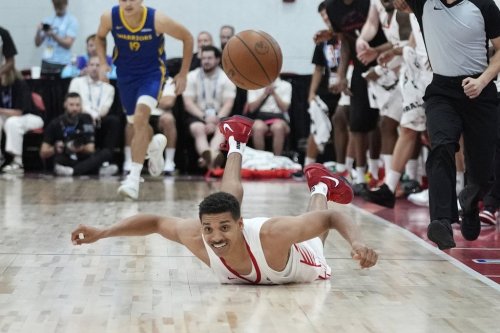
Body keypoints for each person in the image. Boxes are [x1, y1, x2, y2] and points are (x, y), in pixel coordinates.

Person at [71, 115, 377, 285]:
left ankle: (321, 189)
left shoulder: (273, 235)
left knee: (314, 238)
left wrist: (357, 243)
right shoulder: (200, 236)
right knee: (224, 201)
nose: (215, 237)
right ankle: (235, 142)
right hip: (250, 235)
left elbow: (331, 219)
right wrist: (103, 232)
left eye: (223, 229)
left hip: (299, 258)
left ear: (241, 224)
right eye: (209, 229)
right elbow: (154, 221)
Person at [394, 0, 500, 249]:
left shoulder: (484, 5)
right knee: (441, 145)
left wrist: (483, 80)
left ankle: (471, 203)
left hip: (479, 91)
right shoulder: (423, 3)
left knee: (482, 172)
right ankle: (441, 221)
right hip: (442, 91)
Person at [95, 0, 193, 199]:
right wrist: (103, 63)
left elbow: (187, 38)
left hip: (151, 75)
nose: (128, 3)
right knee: (138, 124)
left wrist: (182, 74)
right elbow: (99, 37)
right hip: (125, 77)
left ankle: (133, 179)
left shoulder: (157, 19)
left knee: (140, 118)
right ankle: (153, 148)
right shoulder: (109, 17)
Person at [183, 45, 236, 170]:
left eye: (209, 58)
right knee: (198, 129)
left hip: (219, 116)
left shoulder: (226, 78)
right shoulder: (191, 76)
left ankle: (206, 158)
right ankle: (212, 159)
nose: (206, 61)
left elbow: (228, 103)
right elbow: (188, 103)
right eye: (203, 58)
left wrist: (216, 118)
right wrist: (205, 117)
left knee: (222, 130)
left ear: (217, 60)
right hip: (198, 115)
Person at [40, 92, 116, 176]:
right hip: (65, 156)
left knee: (106, 153)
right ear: (65, 104)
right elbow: (43, 152)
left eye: (77, 105)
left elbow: (90, 148)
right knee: (58, 160)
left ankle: (73, 171)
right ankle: (94, 170)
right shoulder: (55, 123)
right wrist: (56, 148)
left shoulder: (86, 119)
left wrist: (79, 148)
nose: (75, 108)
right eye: (71, 105)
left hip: (82, 156)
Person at [68, 55, 120, 174]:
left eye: (98, 65)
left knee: (114, 121)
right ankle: (82, 157)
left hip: (99, 119)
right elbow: (74, 104)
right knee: (84, 117)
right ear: (87, 67)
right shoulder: (77, 82)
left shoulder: (109, 88)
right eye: (92, 65)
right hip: (81, 118)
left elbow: (105, 108)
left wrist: (96, 115)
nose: (94, 68)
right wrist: (90, 114)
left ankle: (105, 158)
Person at [0, 68, 44, 174]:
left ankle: (17, 161)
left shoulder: (20, 85)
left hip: (31, 117)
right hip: (9, 116)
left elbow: (19, 112)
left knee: (13, 122)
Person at [246, 77, 292, 156]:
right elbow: (251, 108)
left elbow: (285, 108)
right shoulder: (254, 85)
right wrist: (264, 93)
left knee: (278, 127)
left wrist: (274, 93)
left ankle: (277, 159)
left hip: (279, 117)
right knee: (258, 127)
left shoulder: (286, 85)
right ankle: (261, 159)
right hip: (260, 117)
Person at [34, 0, 79, 76]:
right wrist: (38, 31)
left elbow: (68, 44)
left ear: (66, 4)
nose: (57, 8)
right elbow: (37, 43)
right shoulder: (48, 20)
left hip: (61, 62)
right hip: (46, 61)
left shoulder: (72, 21)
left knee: (60, 87)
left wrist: (53, 35)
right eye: (55, 5)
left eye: (60, 5)